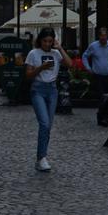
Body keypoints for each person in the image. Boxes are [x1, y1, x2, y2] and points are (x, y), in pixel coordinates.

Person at [24, 27, 71, 172]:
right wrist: (41, 68)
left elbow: (69, 64)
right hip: (38, 89)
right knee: (44, 123)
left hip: (52, 90)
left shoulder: (56, 53)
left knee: (48, 126)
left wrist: (60, 48)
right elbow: (28, 75)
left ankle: (40, 158)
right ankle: (42, 157)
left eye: (50, 41)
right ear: (40, 40)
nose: (47, 44)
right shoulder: (33, 53)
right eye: (45, 41)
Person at [82, 27, 108, 109]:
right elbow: (85, 56)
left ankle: (105, 113)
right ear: (99, 36)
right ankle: (102, 116)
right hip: (97, 76)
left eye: (105, 36)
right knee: (101, 96)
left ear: (107, 36)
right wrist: (88, 67)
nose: (103, 38)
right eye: (102, 36)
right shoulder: (93, 46)